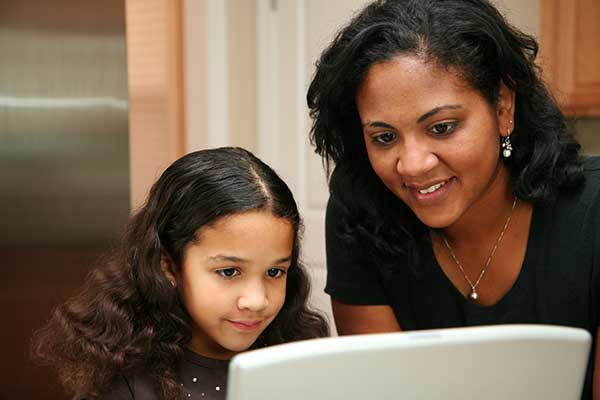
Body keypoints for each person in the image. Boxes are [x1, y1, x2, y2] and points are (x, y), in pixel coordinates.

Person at [306, 0, 599, 398]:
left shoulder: (592, 212)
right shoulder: (360, 210)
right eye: (384, 137)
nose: (412, 165)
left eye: (442, 127)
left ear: (502, 106)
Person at [31, 147, 329, 400]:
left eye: (275, 272)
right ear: (169, 266)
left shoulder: (301, 363)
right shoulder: (124, 383)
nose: (256, 300)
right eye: (228, 272)